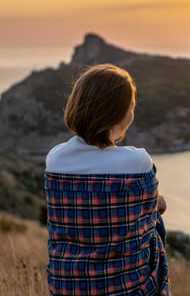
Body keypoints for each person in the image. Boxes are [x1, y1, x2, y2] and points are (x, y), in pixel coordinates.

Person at [45, 63, 170, 295]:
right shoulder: (139, 162)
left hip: (67, 286)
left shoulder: (55, 159)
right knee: (156, 225)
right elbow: (148, 209)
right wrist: (157, 203)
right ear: (122, 114)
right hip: (128, 289)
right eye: (131, 106)